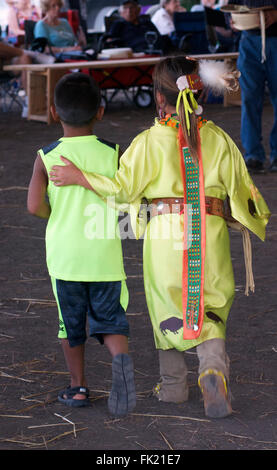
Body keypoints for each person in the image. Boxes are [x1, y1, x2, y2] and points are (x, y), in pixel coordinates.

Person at [48, 56, 270, 419]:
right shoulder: (218, 138)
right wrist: (243, 217)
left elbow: (121, 188)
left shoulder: (148, 141)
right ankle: (212, 368)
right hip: (208, 232)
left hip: (165, 236)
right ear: (198, 94)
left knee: (167, 308)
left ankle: (173, 388)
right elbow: (243, 190)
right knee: (209, 304)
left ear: (158, 98)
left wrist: (80, 176)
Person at [27, 72, 136, 416]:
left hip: (65, 259)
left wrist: (56, 214)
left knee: (69, 324)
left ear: (55, 113)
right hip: (104, 257)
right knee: (112, 321)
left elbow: (33, 206)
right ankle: (122, 378)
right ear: (100, 112)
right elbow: (125, 201)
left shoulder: (46, 156)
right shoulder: (114, 152)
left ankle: (77, 388)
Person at [227, 0, 277, 173]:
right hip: (249, 40)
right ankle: (253, 155)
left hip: (275, 39)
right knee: (249, 100)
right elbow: (232, 5)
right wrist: (231, 19)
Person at [106, 0, 172, 54]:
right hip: (133, 53)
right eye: (125, 8)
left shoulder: (147, 22)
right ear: (121, 12)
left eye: (132, 7)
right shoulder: (118, 24)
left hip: (154, 51)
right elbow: (110, 40)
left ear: (138, 10)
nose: (129, 11)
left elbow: (157, 36)